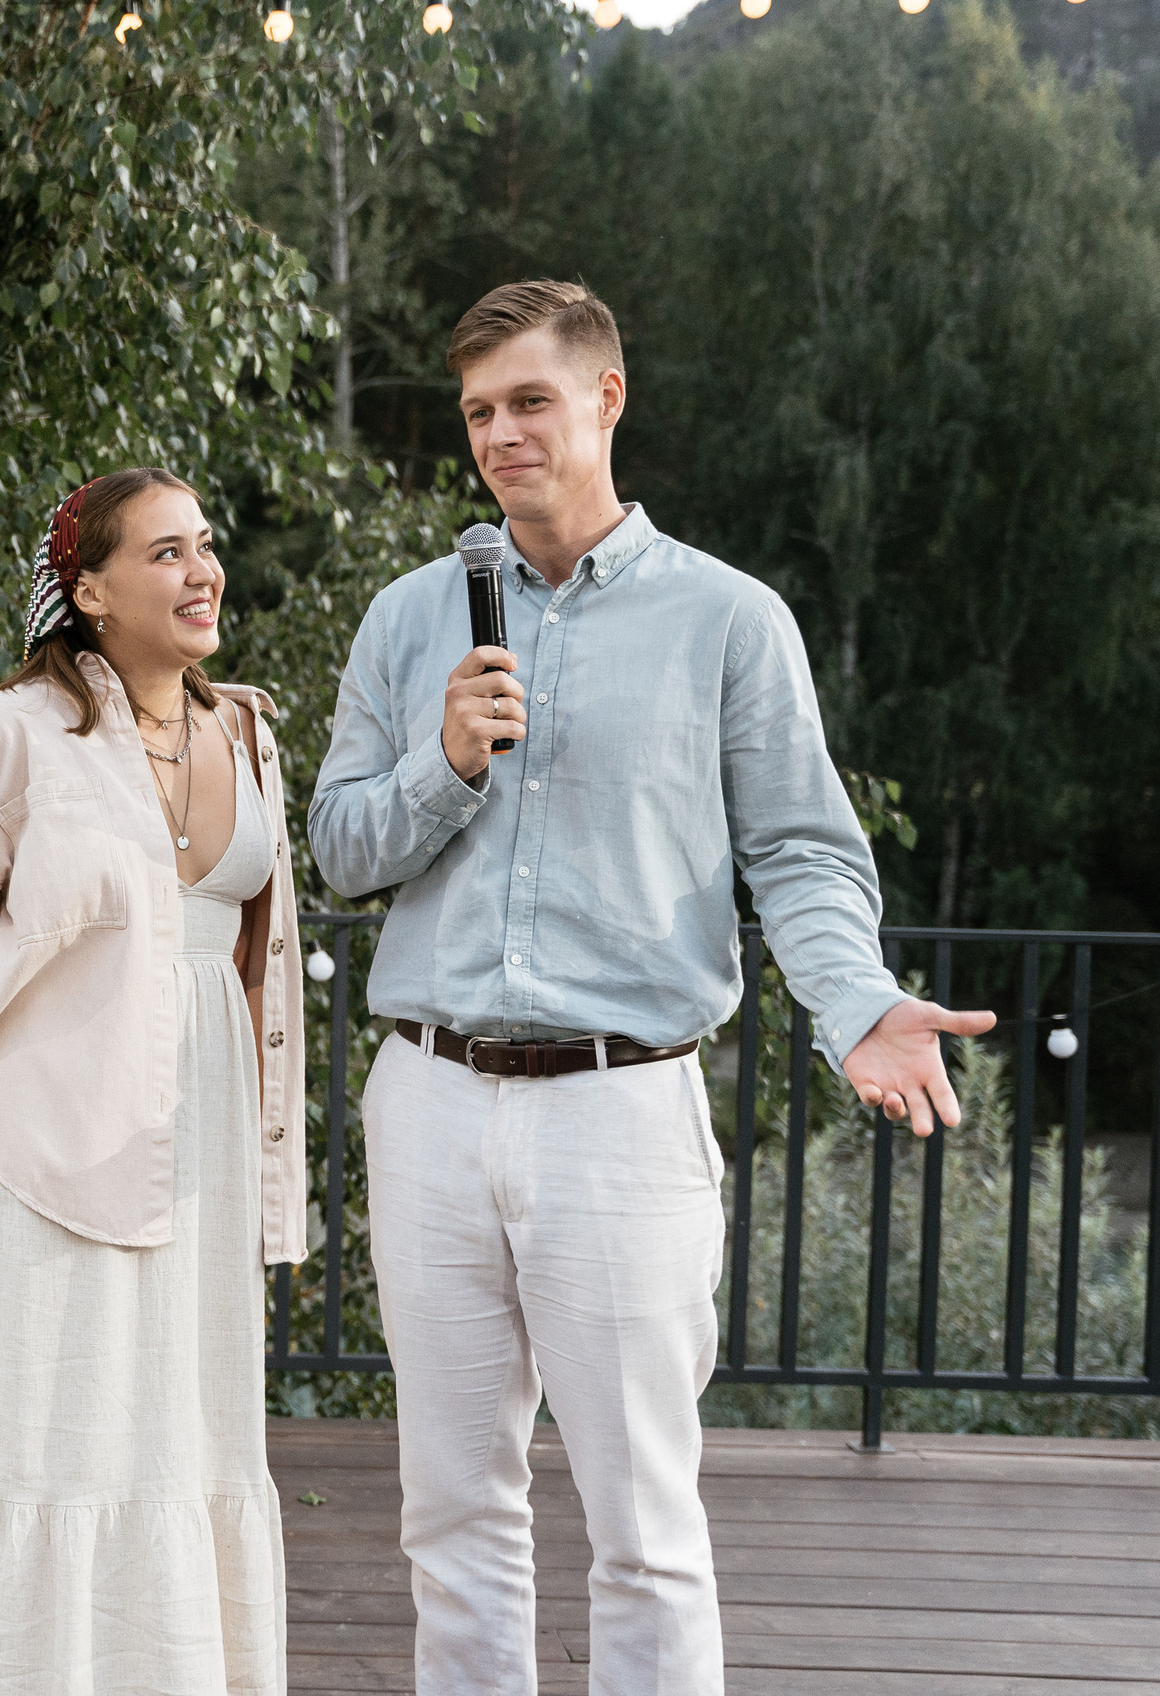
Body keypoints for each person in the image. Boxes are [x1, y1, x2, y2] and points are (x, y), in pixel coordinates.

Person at [308, 279, 996, 1695]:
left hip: (621, 1112)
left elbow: (804, 852)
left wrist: (855, 1001)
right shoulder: (405, 619)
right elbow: (337, 845)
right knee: (450, 1508)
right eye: (480, 410)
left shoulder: (729, 621)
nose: (501, 434)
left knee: (643, 1527)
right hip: (428, 1098)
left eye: (530, 401)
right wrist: (443, 764)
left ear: (607, 399)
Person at [0, 468, 309, 1695]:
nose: (201, 571)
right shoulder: (4, 739)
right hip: (54, 1137)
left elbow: (250, 954)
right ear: (87, 590)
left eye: (205, 546)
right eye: (166, 552)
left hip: (211, 1130)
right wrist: (25, 1087)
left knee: (192, 1426)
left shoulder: (248, 730)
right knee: (57, 1435)